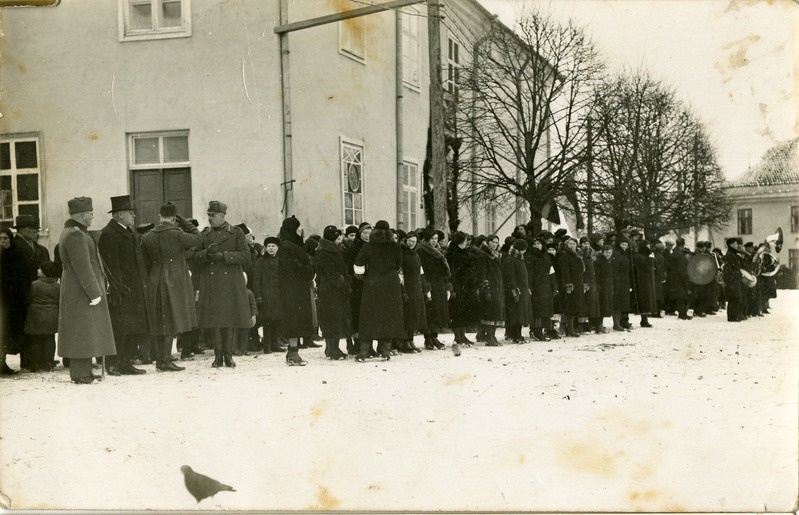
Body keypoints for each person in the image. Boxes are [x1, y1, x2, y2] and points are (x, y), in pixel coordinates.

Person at [57, 197, 116, 384]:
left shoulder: (74, 232)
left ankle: (84, 372)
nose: (92, 217)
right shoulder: (76, 235)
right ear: (83, 215)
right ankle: (80, 373)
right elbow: (83, 267)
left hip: (77, 287)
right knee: (81, 330)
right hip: (81, 288)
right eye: (90, 214)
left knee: (84, 330)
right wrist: (94, 292)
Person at [141, 202, 202, 371]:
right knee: (171, 319)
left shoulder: (147, 236)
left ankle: (160, 358)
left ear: (159, 216)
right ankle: (165, 360)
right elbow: (198, 238)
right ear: (174, 218)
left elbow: (144, 262)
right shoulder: (177, 234)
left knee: (160, 319)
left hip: (155, 280)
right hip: (174, 281)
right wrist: (185, 222)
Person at [98, 195, 153, 376]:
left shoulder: (129, 232)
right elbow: (111, 266)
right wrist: (118, 289)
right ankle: (114, 363)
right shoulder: (109, 234)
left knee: (134, 328)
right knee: (120, 329)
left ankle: (125, 362)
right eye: (130, 213)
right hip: (121, 291)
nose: (133, 216)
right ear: (120, 214)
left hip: (134, 289)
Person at [194, 201, 252, 368]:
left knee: (230, 319)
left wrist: (223, 256)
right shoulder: (204, 235)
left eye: (213, 216)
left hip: (230, 283)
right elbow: (194, 256)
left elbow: (246, 257)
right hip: (211, 283)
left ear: (222, 216)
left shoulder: (236, 233)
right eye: (209, 215)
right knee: (214, 321)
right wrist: (206, 254)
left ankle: (229, 356)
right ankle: (218, 356)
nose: (210, 219)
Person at [353, 220, 405, 361]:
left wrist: (365, 277)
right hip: (391, 285)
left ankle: (364, 351)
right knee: (388, 316)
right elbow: (399, 265)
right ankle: (384, 351)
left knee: (369, 316)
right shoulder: (396, 247)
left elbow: (358, 267)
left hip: (373, 284)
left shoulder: (368, 247)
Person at [11, 214, 50, 370]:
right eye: (31, 228)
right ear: (20, 229)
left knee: (37, 327)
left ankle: (39, 359)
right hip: (22, 293)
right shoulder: (14, 247)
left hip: (38, 294)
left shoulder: (39, 248)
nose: (35, 231)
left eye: (36, 228)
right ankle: (28, 361)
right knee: (25, 329)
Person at [277, 216, 314, 366]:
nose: (300, 230)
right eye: (298, 227)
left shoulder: (295, 244)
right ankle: (292, 353)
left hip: (298, 288)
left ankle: (293, 352)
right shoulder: (287, 246)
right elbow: (290, 267)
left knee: (297, 320)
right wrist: (307, 269)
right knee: (293, 320)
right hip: (292, 290)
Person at [314, 225, 351, 360]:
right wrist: (342, 282)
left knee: (336, 319)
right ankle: (331, 349)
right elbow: (330, 272)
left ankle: (333, 348)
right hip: (329, 289)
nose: (339, 238)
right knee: (330, 319)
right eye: (337, 236)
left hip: (336, 290)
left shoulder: (335, 250)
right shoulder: (324, 252)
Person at [23, 261, 61, 371]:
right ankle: (49, 362)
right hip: (52, 315)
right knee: (50, 338)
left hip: (36, 315)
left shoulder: (35, 284)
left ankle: (36, 364)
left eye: (40, 269)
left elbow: (29, 297)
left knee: (36, 340)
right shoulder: (57, 286)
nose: (37, 270)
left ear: (45, 272)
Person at [417, 228, 450, 350]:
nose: (434, 241)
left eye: (436, 239)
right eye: (432, 239)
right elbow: (422, 270)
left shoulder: (438, 251)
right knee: (430, 311)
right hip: (430, 283)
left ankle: (434, 336)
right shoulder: (422, 251)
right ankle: (428, 338)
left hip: (439, 284)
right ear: (427, 239)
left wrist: (446, 285)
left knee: (437, 311)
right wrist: (426, 286)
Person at [253, 236, 285, 354]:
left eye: (273, 246)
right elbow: (256, 280)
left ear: (278, 248)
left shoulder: (281, 261)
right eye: (268, 246)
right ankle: (267, 345)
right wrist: (259, 296)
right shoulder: (260, 261)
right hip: (266, 296)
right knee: (267, 321)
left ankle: (275, 343)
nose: (271, 248)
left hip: (278, 295)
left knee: (278, 320)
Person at [447, 231, 479, 347]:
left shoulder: (463, 251)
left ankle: (463, 335)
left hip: (466, 287)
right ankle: (458, 336)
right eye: (465, 240)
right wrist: (455, 287)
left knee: (464, 312)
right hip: (459, 287)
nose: (467, 242)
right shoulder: (453, 253)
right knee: (458, 313)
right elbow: (453, 272)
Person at [398, 230, 426, 353]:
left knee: (414, 315)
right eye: (409, 241)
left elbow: (421, 272)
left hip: (416, 288)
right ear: (406, 241)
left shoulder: (416, 255)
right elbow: (400, 273)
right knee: (407, 315)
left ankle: (411, 340)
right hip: (407, 287)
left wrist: (424, 287)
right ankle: (404, 342)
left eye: (414, 242)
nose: (411, 244)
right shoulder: (402, 254)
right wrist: (403, 290)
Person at [477, 234, 505, 346]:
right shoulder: (483, 256)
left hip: (497, 288)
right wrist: (486, 289)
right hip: (489, 288)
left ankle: (492, 336)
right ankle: (488, 337)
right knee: (489, 314)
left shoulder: (497, 256)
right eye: (492, 242)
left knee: (495, 314)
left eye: (496, 242)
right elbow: (482, 274)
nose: (494, 244)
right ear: (488, 242)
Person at [503, 239, 533, 343]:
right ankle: (515, 335)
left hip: (522, 290)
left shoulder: (519, 259)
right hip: (517, 290)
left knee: (520, 314)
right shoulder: (511, 259)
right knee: (516, 315)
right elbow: (510, 277)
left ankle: (517, 335)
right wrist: (514, 289)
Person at [1, 227, 21, 374]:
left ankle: (3, 362)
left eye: (5, 238)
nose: (2, 241)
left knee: (7, 332)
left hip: (11, 300)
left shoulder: (16, 254)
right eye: (0, 239)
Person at [558, 237, 585, 337]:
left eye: (573, 244)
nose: (572, 245)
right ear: (567, 245)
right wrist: (568, 285)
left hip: (578, 283)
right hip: (570, 284)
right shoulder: (566, 256)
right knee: (570, 306)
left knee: (575, 306)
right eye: (570, 244)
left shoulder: (577, 256)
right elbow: (565, 272)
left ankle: (571, 328)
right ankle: (569, 329)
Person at [632, 239, 657, 328]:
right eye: (648, 246)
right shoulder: (641, 257)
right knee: (645, 299)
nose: (649, 248)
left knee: (647, 299)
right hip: (643, 281)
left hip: (646, 280)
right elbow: (646, 267)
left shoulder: (643, 256)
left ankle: (645, 319)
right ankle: (644, 320)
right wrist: (651, 259)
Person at [665, 237, 692, 320]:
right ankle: (682, 314)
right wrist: (686, 279)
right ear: (683, 245)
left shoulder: (674, 253)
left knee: (680, 296)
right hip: (679, 278)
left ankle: (682, 313)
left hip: (674, 277)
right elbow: (682, 269)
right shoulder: (680, 255)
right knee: (682, 296)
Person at [611, 237, 632, 331]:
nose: (624, 246)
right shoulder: (617, 253)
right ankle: (616, 323)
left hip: (625, 280)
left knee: (623, 302)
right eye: (623, 244)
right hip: (619, 280)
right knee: (617, 302)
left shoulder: (625, 254)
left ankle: (621, 322)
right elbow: (615, 269)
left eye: (626, 245)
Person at [722, 237, 745, 322]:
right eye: (735, 243)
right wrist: (735, 275)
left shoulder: (733, 254)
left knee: (735, 298)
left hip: (734, 279)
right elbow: (728, 269)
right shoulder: (730, 255)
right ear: (731, 245)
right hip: (732, 280)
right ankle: (732, 317)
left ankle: (734, 316)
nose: (737, 245)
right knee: (733, 299)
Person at [594, 244, 614, 333]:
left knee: (605, 306)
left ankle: (600, 325)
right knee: (601, 306)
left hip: (607, 286)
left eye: (610, 252)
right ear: (602, 252)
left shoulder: (608, 261)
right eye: (606, 252)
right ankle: (598, 326)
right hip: (601, 286)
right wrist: (598, 285)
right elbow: (597, 275)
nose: (608, 254)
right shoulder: (598, 261)